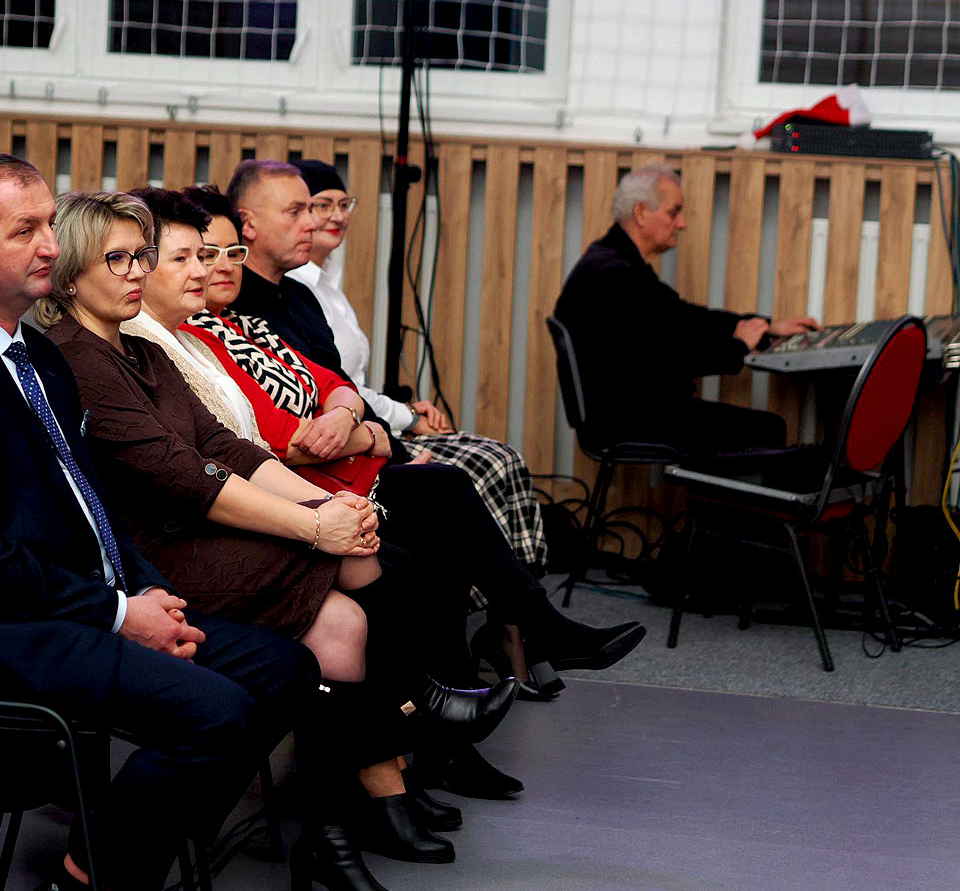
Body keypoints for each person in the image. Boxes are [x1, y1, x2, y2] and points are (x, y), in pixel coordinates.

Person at [0, 153, 319, 891]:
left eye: (50, 224)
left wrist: (148, 591)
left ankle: (127, 841)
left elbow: (87, 500)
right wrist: (118, 614)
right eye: (26, 230)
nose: (51, 245)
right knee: (218, 713)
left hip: (70, 600)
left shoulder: (35, 352)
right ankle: (96, 874)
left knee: (285, 668)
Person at [35, 187, 519, 881]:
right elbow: (182, 474)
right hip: (150, 555)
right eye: (119, 259)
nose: (137, 271)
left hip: (194, 529)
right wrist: (315, 525)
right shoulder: (76, 355)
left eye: (141, 255)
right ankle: (419, 703)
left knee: (345, 621)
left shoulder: (141, 350)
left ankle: (332, 832)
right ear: (70, 273)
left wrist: (326, 506)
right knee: (355, 564)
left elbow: (226, 447)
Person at [184, 178, 649, 798]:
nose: (216, 267)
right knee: (435, 521)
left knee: (446, 518)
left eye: (227, 254)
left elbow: (332, 381)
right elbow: (283, 439)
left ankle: (459, 731)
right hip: (314, 488)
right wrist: (370, 433)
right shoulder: (202, 336)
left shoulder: (244, 321)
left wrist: (354, 418)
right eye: (200, 255)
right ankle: (476, 699)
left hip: (341, 472)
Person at [287, 159, 551, 574]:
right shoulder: (299, 290)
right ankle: (502, 601)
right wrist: (405, 418)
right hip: (353, 433)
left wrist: (405, 413)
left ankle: (516, 597)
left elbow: (349, 383)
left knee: (501, 457)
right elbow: (335, 385)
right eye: (322, 205)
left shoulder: (327, 281)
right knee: (484, 465)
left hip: (367, 418)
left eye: (344, 204)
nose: (337, 216)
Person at [554, 165, 820, 455]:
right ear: (641, 213)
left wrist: (764, 325)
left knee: (763, 428)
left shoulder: (613, 260)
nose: (681, 224)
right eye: (673, 212)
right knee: (768, 429)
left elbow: (681, 317)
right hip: (625, 419)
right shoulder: (615, 274)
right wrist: (738, 347)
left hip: (626, 411)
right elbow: (671, 356)